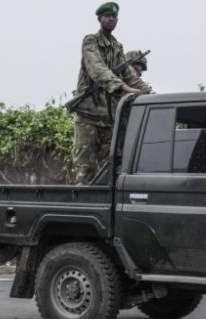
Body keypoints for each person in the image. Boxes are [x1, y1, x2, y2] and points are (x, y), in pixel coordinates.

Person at [72, 2, 152, 184]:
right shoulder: (90, 41)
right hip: (89, 115)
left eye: (114, 17)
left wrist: (148, 92)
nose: (111, 19)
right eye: (107, 16)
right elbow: (97, 69)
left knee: (110, 166)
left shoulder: (117, 47)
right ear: (100, 19)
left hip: (109, 117)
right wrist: (122, 87)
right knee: (85, 169)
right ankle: (83, 204)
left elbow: (130, 76)